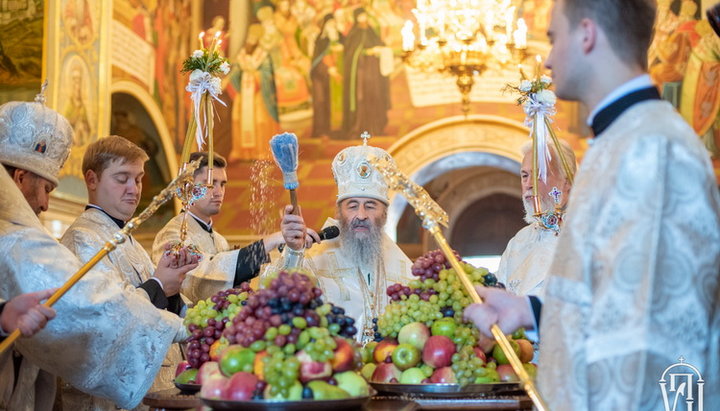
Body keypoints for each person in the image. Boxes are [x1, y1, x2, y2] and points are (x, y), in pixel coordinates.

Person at [463, 1, 720, 409]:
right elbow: (618, 292)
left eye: (552, 37)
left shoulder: (652, 148)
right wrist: (529, 310)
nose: (547, 58)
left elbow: (657, 336)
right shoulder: (619, 141)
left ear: (587, 33)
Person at [0, 96, 189, 410]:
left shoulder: (128, 240)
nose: (46, 204)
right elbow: (89, 306)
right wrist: (182, 324)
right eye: (47, 189)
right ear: (20, 179)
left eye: (139, 180)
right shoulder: (30, 239)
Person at [60, 135, 199, 408]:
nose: (134, 189)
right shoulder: (83, 238)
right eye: (122, 178)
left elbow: (153, 307)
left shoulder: (125, 237)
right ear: (92, 180)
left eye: (138, 179)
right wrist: (159, 284)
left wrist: (170, 287)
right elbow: (107, 316)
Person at [276, 136, 413, 343]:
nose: (361, 215)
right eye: (352, 205)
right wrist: (294, 251)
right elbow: (278, 300)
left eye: (370, 206)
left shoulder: (404, 268)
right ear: (340, 211)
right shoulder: (313, 259)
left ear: (384, 214)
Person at [152, 151, 286, 303]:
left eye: (222, 184)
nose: (218, 192)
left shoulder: (220, 240)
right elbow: (201, 276)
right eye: (209, 183)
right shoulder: (172, 234)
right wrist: (269, 242)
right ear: (187, 186)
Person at [495, 140, 576, 297]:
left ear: (566, 182)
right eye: (525, 176)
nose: (529, 184)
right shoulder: (518, 241)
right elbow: (501, 296)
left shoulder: (588, 232)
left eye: (540, 175)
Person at [341, 8, 391, 138]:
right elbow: (351, 53)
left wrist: (379, 49)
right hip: (361, 75)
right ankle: (360, 127)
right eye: (361, 16)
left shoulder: (370, 31)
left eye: (365, 16)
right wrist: (365, 53)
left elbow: (379, 43)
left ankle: (375, 126)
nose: (363, 19)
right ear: (357, 19)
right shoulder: (354, 34)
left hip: (374, 73)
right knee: (362, 98)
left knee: (374, 96)